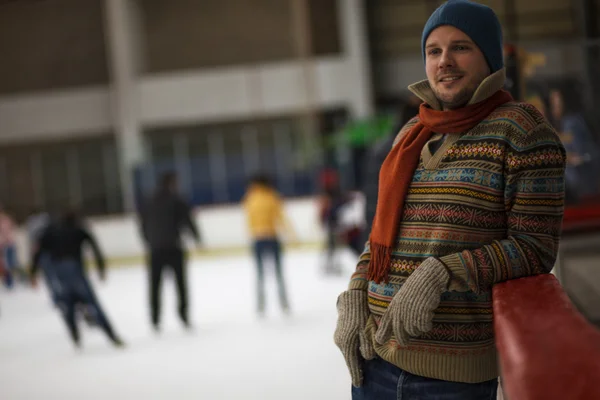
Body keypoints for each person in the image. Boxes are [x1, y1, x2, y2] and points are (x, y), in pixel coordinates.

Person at [334, 1, 567, 399]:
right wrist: (355, 292)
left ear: (489, 57)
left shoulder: (523, 131)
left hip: (450, 378)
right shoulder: (412, 133)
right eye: (434, 50)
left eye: (461, 47)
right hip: (373, 363)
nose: (445, 61)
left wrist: (443, 271)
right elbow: (380, 238)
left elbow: (534, 248)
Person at [30, 209, 124, 349]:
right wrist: (101, 268)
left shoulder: (51, 231)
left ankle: (75, 336)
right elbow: (94, 246)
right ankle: (112, 335)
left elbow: (38, 251)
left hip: (60, 275)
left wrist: (33, 273)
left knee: (68, 307)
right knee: (93, 305)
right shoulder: (78, 229)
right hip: (76, 273)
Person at [139, 171, 201, 331]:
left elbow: (143, 224)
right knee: (180, 284)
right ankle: (183, 315)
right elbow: (187, 220)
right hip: (173, 247)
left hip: (155, 249)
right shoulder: (177, 200)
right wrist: (196, 237)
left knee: (155, 285)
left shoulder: (149, 201)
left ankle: (155, 319)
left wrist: (149, 241)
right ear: (172, 182)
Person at [242, 173, 296, 317]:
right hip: (271, 237)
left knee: (260, 274)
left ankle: (261, 305)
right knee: (278, 273)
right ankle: (283, 302)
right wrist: (292, 235)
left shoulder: (250, 198)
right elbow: (282, 218)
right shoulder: (272, 196)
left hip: (258, 239)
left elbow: (249, 220)